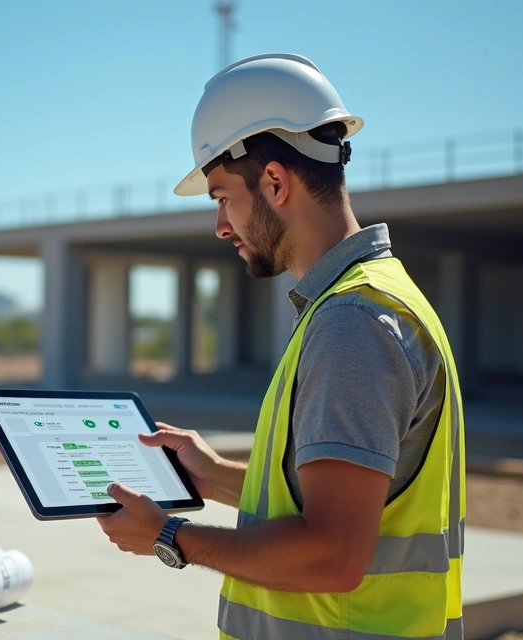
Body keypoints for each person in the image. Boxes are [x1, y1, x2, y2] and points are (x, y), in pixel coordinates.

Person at [97, 53, 466, 639]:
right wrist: (214, 475)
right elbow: (342, 504)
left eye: (222, 197)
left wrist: (170, 538)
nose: (220, 225)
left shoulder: (353, 321)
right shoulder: (375, 298)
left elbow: (333, 552)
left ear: (275, 181)